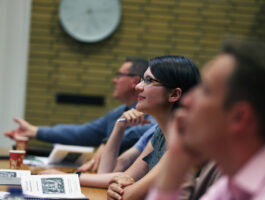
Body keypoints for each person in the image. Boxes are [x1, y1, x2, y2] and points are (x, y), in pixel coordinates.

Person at [147, 39, 265, 200]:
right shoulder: (233, 182)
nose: (186, 100)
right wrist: (176, 162)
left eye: (205, 90)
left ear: (239, 117)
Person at [4, 57, 155, 172]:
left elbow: (147, 131)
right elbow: (82, 133)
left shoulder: (153, 114)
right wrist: (34, 131)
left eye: (119, 75)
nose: (113, 80)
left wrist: (106, 141)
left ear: (134, 81)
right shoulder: (119, 111)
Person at [106, 55, 200, 200]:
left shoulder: (185, 142)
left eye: (148, 80)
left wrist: (120, 189)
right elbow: (124, 179)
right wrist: (117, 187)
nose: (138, 86)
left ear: (174, 94)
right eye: (143, 79)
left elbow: (128, 195)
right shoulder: (160, 134)